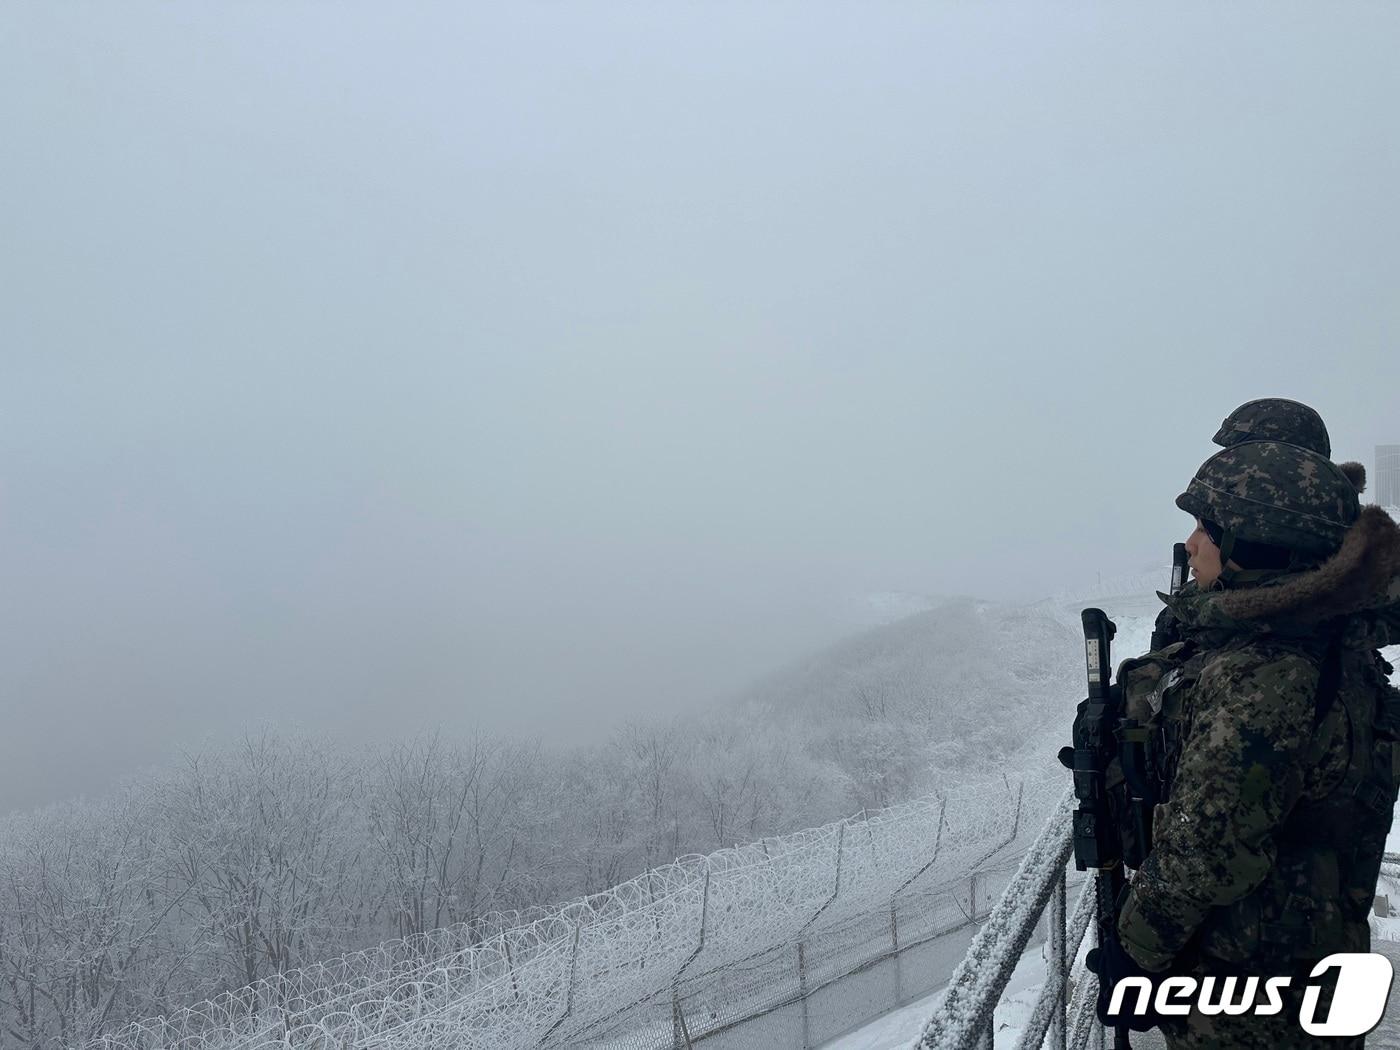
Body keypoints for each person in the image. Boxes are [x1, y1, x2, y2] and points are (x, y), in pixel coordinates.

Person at [1108, 439, 1400, 1049]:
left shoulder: (1265, 673)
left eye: (1205, 529)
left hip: (1252, 996)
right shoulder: (1320, 642)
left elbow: (1207, 850)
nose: (1190, 544)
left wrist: (1132, 953)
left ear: (1254, 543)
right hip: (1306, 962)